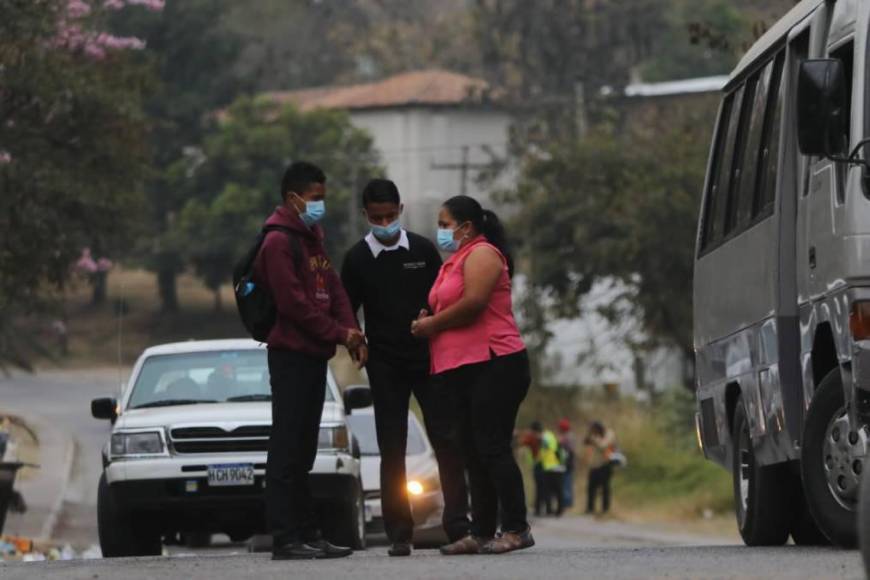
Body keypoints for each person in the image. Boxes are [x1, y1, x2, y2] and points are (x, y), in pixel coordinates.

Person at [340, 178, 469, 557]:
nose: (384, 223)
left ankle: (457, 524)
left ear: (401, 210)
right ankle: (400, 532)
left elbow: (442, 298)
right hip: (385, 363)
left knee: (445, 437)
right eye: (377, 218)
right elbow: (347, 311)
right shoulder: (357, 259)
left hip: (429, 357)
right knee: (391, 446)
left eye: (390, 215)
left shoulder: (424, 250)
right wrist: (355, 341)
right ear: (366, 215)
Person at [253, 161, 367, 561]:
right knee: (287, 447)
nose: (321, 205)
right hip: (290, 355)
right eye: (315, 198)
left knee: (304, 449)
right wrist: (339, 334)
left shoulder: (311, 235)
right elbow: (293, 304)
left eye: (323, 197)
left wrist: (352, 329)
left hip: (314, 354)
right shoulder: (278, 242)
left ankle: (309, 533)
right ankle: (286, 537)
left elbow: (332, 287)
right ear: (293, 198)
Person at [411, 195, 534, 555]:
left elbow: (476, 302)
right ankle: (481, 530)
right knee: (471, 448)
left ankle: (516, 527)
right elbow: (446, 303)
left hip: (495, 362)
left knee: (492, 445)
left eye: (446, 224)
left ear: (466, 227)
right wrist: (427, 316)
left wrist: (431, 323)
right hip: (460, 368)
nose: (441, 231)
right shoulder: (454, 261)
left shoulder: (483, 254)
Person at [584, 420, 618, 515]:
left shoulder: (609, 434)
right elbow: (587, 443)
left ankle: (605, 509)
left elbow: (603, 445)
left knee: (605, 488)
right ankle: (590, 508)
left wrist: (594, 439)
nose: (592, 432)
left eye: (594, 430)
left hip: (606, 464)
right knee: (591, 488)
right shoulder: (595, 436)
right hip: (595, 465)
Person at [557, 418, 576, 509]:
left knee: (566, 484)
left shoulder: (567, 437)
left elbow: (569, 451)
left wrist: (561, 443)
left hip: (568, 464)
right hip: (568, 463)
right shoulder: (569, 436)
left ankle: (567, 503)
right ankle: (567, 502)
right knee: (566, 483)